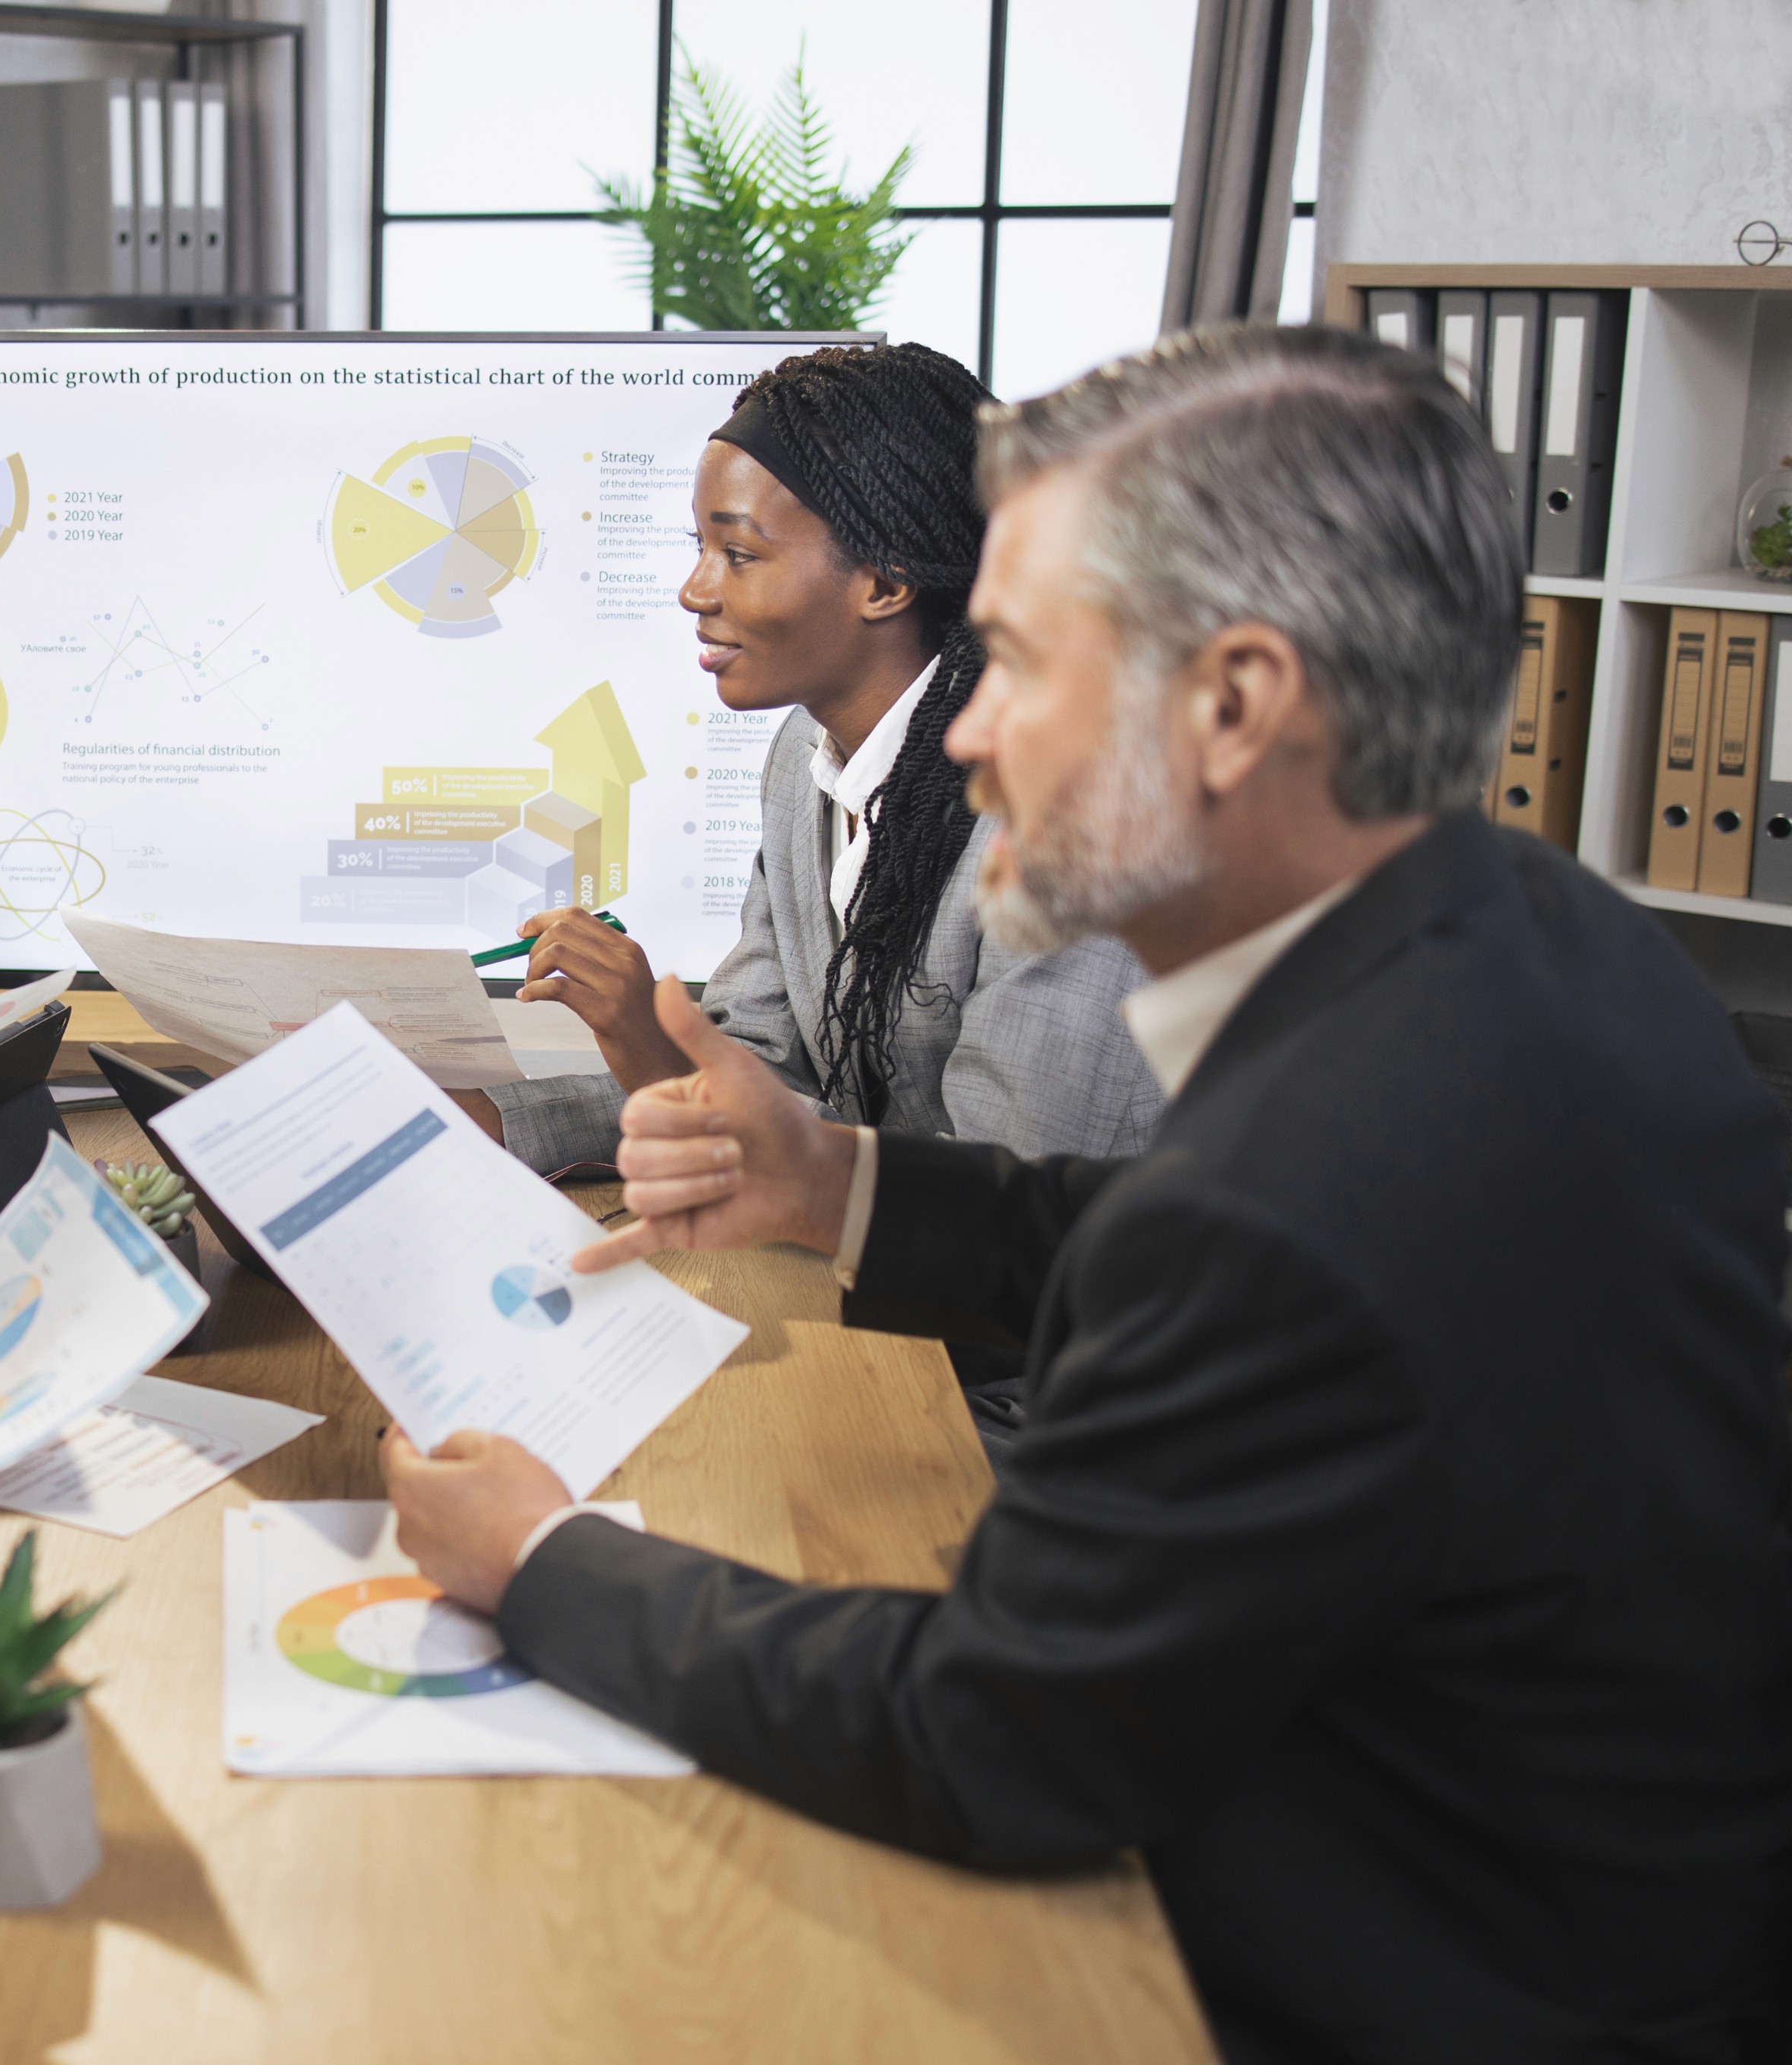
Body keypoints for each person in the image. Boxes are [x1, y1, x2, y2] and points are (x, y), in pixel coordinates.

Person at [385, 327, 1792, 2058]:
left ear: (1235, 706)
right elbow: (1183, 1256)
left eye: (1021, 665)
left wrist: (543, 1564)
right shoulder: (1539, 940)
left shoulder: (1300, 1186)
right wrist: (838, 1182)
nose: (962, 732)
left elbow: (993, 1734)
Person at [465, 343, 1161, 1176]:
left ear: (886, 580)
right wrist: (493, 1124)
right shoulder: (805, 756)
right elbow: (759, 1060)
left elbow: (1004, 1188)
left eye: (740, 554)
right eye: (700, 547)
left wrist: (652, 1046)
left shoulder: (1076, 815)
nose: (695, 590)